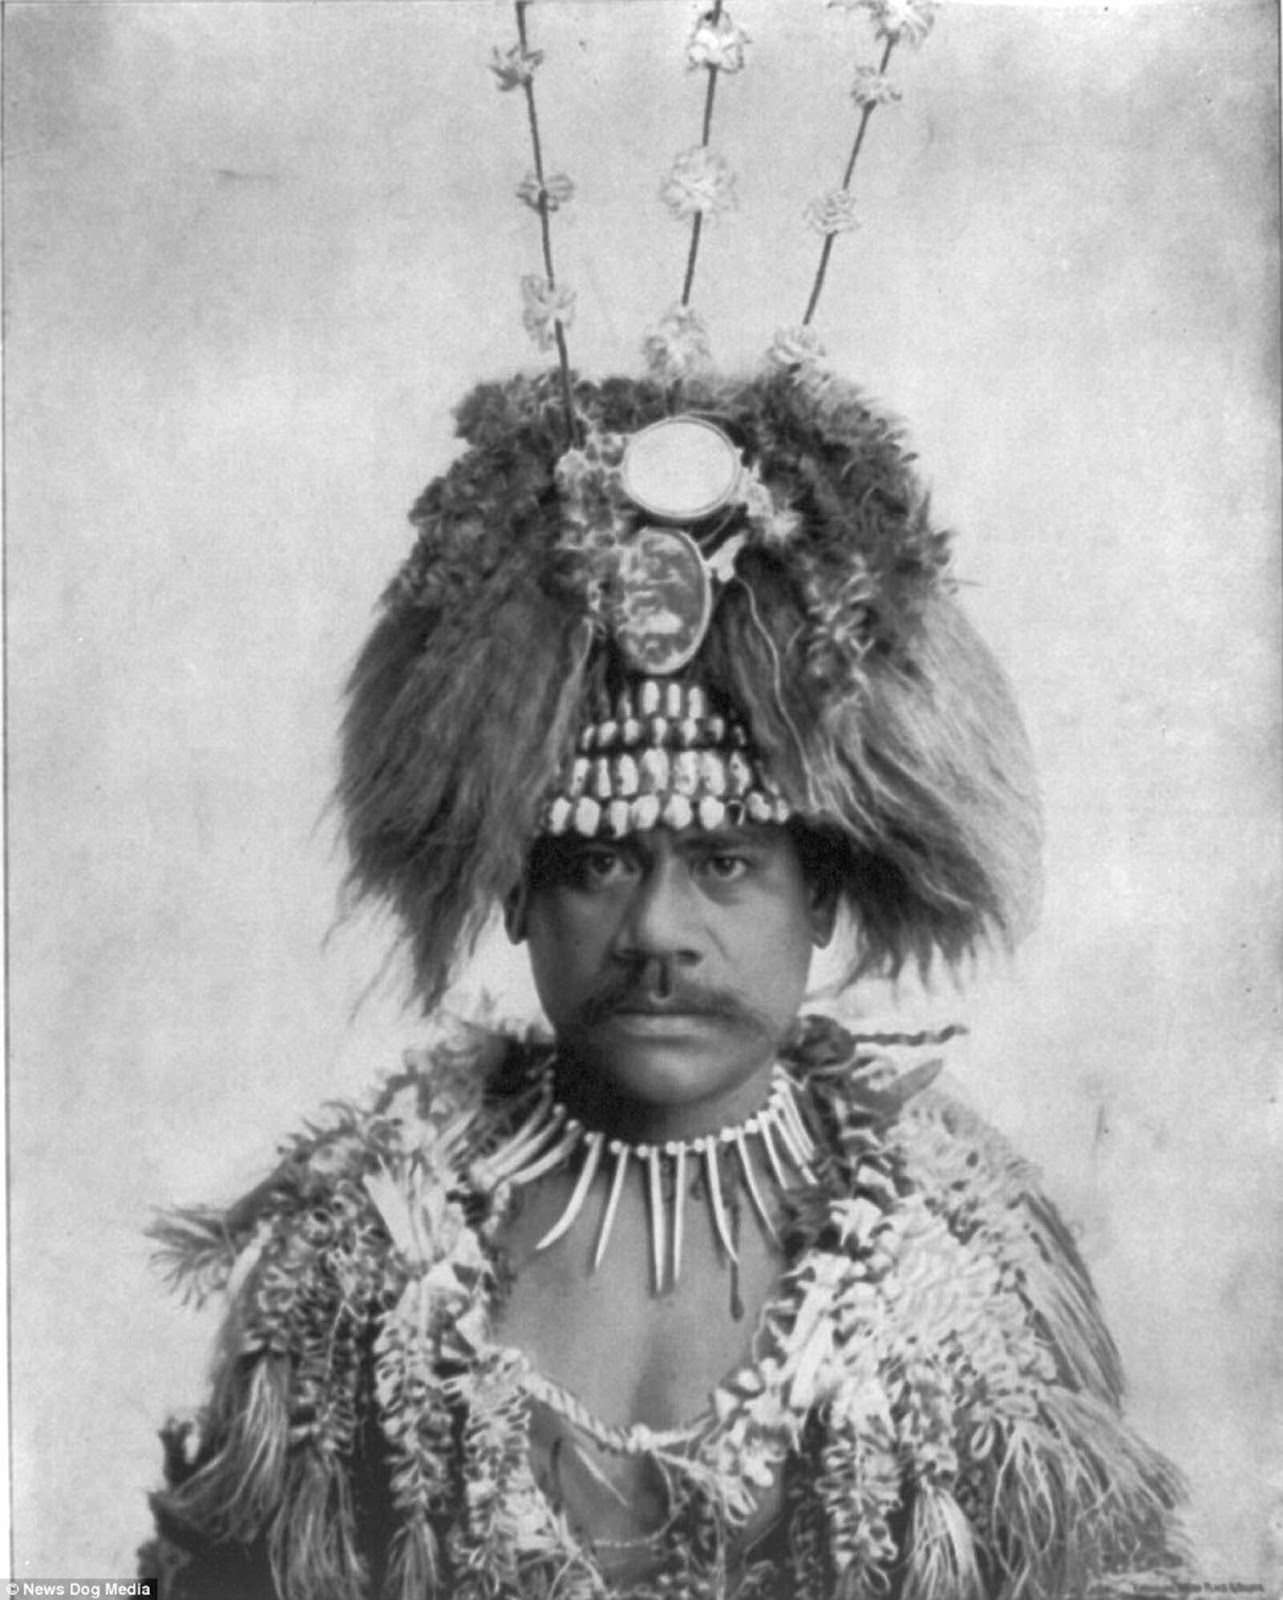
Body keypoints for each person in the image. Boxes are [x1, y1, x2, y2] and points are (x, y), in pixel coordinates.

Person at [142, 366, 1186, 1600]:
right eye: (593, 859)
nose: (655, 931)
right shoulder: (363, 1252)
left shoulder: (958, 1271)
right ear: (512, 889)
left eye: (726, 860)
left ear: (826, 891)